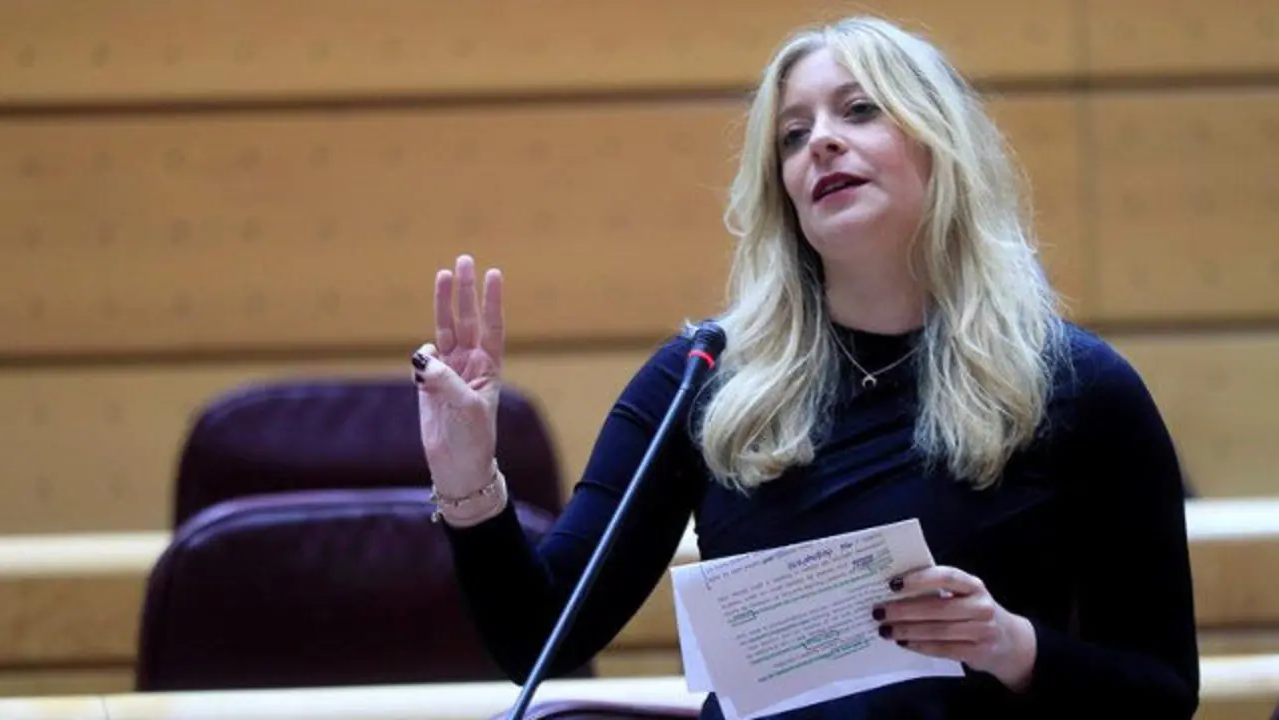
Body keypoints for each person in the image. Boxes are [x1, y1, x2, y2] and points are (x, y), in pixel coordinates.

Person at [411, 15, 1200, 719]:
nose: (819, 141)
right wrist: (468, 483)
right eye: (793, 134)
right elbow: (540, 639)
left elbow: (1162, 692)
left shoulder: (1077, 386)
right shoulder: (702, 378)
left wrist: (1012, 647)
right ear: (783, 189)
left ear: (940, 144)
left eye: (859, 110)